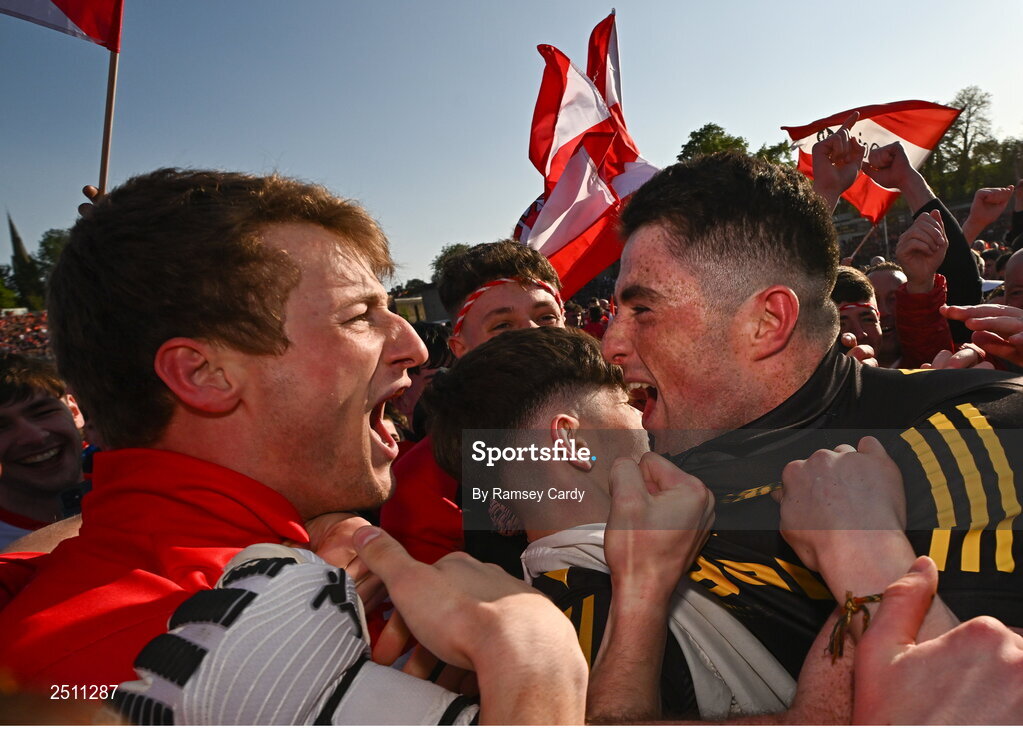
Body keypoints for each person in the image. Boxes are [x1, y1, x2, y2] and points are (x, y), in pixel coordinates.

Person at [0, 169, 587, 724]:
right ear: (205, 375)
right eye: (360, 315)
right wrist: (539, 662)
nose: (414, 345)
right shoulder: (145, 661)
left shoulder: (281, 563)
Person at [601, 151, 1023, 685]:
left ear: (767, 322)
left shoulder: (978, 429)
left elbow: (971, 703)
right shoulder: (648, 488)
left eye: (642, 311)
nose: (611, 344)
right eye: (616, 312)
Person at [379, 240, 565, 568]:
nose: (534, 334)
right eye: (503, 325)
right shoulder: (423, 482)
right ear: (461, 348)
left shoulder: (631, 429)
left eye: (546, 317)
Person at [0, 354, 87, 549]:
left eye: (44, 412)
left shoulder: (147, 494)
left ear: (74, 411)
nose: (35, 437)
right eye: (1, 427)